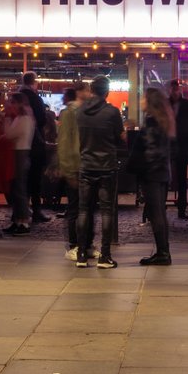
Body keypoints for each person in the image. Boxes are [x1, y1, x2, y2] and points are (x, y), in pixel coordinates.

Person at [75, 76, 123, 269]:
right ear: (107, 92)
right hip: (106, 166)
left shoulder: (80, 112)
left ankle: (81, 254)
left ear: (91, 90)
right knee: (106, 211)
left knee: (84, 209)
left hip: (86, 165)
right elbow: (119, 138)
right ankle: (105, 255)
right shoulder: (112, 112)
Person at [135, 87, 174, 265]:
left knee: (156, 213)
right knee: (159, 212)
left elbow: (147, 151)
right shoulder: (164, 122)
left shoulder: (151, 124)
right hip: (162, 172)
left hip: (152, 173)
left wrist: (137, 167)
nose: (141, 101)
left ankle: (163, 253)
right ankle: (164, 251)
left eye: (143, 98)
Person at [56, 82, 90, 259]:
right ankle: (74, 245)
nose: (89, 93)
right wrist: (67, 169)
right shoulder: (69, 113)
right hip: (76, 166)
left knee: (86, 207)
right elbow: (64, 143)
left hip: (85, 164)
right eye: (86, 90)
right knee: (75, 208)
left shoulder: (85, 111)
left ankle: (85, 244)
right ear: (79, 92)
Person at [20, 72, 54, 223]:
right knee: (35, 178)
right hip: (34, 143)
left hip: (19, 144)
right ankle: (36, 211)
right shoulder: (35, 98)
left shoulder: (17, 97)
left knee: (21, 179)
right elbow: (41, 120)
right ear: (34, 82)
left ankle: (21, 211)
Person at [2, 92, 36, 235]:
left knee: (19, 188)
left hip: (20, 153)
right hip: (20, 152)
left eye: (12, 102)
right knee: (17, 188)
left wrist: (7, 119)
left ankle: (23, 221)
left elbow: (9, 134)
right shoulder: (25, 118)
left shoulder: (23, 119)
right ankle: (17, 220)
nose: (10, 104)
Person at [169, 80, 188, 220]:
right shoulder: (166, 104)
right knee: (170, 179)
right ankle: (178, 209)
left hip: (181, 147)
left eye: (176, 88)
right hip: (170, 146)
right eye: (172, 88)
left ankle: (181, 209)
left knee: (180, 180)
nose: (174, 91)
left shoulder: (186, 105)